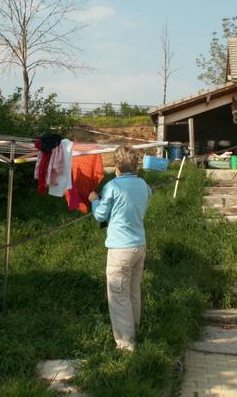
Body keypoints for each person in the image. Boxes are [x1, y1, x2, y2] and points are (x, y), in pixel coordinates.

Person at [88, 145, 152, 351]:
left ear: (117, 165)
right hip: (139, 245)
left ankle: (125, 344)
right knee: (133, 291)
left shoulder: (113, 186)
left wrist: (94, 200)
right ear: (135, 165)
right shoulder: (143, 185)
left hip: (120, 249)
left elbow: (100, 215)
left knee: (118, 296)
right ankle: (134, 329)